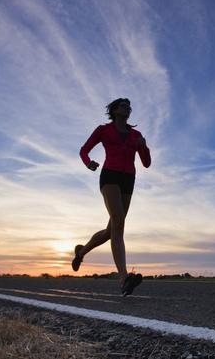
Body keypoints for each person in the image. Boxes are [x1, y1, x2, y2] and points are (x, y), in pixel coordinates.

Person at [73, 98, 151, 296]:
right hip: (110, 176)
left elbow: (147, 163)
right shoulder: (103, 130)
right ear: (114, 110)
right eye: (124, 106)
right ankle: (124, 277)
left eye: (129, 107)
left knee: (112, 229)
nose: (128, 109)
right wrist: (88, 162)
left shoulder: (136, 135)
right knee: (119, 222)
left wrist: (143, 146)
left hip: (128, 179)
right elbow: (84, 150)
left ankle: (81, 252)